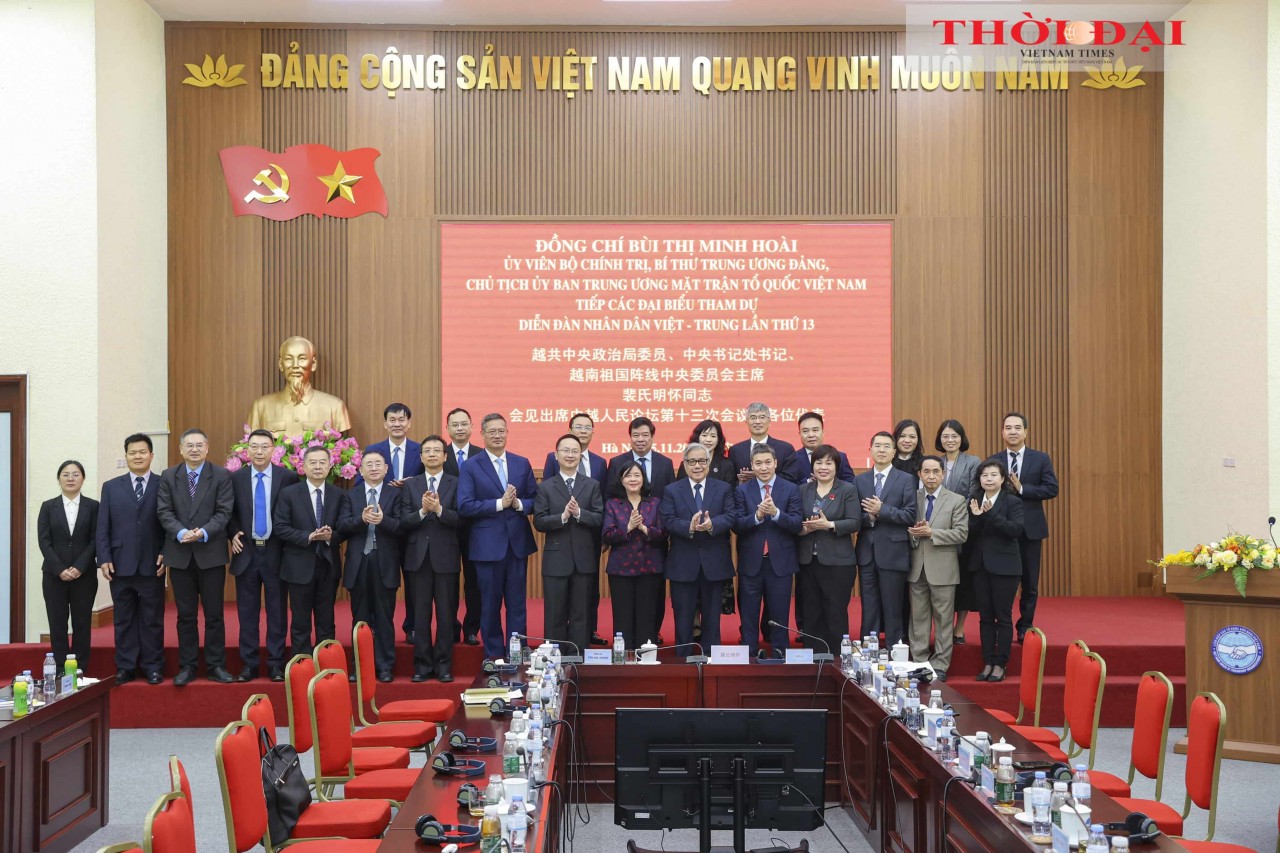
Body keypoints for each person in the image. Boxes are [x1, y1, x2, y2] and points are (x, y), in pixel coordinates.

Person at [156, 427, 235, 686]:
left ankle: (216, 665)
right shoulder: (169, 476)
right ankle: (187, 666)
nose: (194, 449)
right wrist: (180, 533)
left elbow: (224, 512)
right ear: (180, 449)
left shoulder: (221, 475)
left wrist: (201, 532)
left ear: (207, 448)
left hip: (210, 554)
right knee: (185, 615)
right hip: (179, 555)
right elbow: (164, 511)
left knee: (214, 615)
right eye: (189, 445)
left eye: (199, 445)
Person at [457, 413, 538, 659]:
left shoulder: (521, 463)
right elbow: (465, 505)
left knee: (517, 606)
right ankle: (494, 656)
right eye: (491, 431)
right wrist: (499, 504)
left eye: (501, 430)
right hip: (486, 547)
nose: (497, 435)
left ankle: (517, 653)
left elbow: (535, 499)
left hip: (516, 545)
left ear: (507, 432)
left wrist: (518, 505)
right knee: (489, 606)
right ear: (481, 434)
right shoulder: (471, 465)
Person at [228, 428, 299, 682]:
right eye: (254, 447)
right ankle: (249, 665)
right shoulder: (235, 479)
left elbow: (294, 512)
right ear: (247, 451)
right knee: (247, 613)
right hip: (246, 551)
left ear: (274, 450)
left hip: (276, 552)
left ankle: (276, 664)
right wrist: (233, 532)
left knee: (277, 611)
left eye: (264, 447)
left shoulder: (288, 478)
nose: (259, 452)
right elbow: (228, 512)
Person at [96, 434, 166, 685]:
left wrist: (166, 553)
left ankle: (153, 666)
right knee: (123, 619)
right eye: (132, 452)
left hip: (152, 563)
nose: (137, 456)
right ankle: (125, 666)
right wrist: (103, 557)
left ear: (151, 455)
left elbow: (170, 524)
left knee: (152, 619)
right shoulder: (111, 487)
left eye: (142, 452)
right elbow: (103, 526)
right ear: (125, 456)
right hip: (119, 563)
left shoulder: (164, 484)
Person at [274, 445, 353, 658]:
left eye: (322, 463)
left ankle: (327, 663)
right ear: (303, 466)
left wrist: (331, 536)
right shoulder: (288, 494)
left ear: (330, 466)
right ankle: (303, 665)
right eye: (313, 462)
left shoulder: (339, 494)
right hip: (298, 565)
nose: (318, 467)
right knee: (300, 621)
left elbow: (345, 527)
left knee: (326, 620)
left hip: (328, 565)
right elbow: (280, 527)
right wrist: (307, 536)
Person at [989, 412, 1058, 642]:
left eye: (1017, 428)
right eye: (1008, 428)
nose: (1013, 432)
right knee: (1003, 581)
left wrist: (1022, 489)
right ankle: (1004, 623)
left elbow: (1051, 489)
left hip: (1030, 530)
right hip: (1003, 530)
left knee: (1029, 581)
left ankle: (1025, 625)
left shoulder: (1040, 459)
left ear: (1026, 432)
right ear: (1002, 432)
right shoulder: (994, 460)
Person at [660, 443, 735, 655]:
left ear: (709, 463)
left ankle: (712, 660)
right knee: (683, 618)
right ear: (684, 464)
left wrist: (713, 525)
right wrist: (688, 526)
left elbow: (731, 516)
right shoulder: (672, 490)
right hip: (683, 563)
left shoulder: (723, 488)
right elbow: (667, 520)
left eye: (702, 461)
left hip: (714, 562)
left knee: (712, 618)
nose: (697, 466)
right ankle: (683, 659)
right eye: (692, 461)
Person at [534, 433, 605, 656]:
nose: (570, 455)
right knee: (554, 614)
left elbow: (599, 518)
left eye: (575, 451)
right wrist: (563, 516)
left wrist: (580, 513)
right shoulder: (546, 487)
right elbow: (539, 521)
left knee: (580, 614)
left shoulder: (592, 485)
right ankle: (554, 660)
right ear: (556, 455)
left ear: (581, 456)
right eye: (565, 450)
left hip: (584, 560)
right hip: (556, 560)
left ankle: (578, 659)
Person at [358, 403, 423, 644]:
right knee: (380, 580)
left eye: (402, 419)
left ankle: (412, 626)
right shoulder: (373, 450)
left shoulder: (420, 449)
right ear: (385, 423)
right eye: (392, 420)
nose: (397, 424)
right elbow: (359, 482)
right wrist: (386, 487)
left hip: (411, 525)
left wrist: (410, 485)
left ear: (409, 423)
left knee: (414, 580)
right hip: (381, 527)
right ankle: (375, 625)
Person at [400, 435, 462, 682]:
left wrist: (439, 511)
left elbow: (462, 519)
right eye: (428, 451)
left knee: (446, 615)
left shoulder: (456, 483)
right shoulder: (411, 484)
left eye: (438, 450)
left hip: (446, 556)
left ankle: (444, 666)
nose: (433, 454)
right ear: (421, 456)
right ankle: (422, 666)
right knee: (421, 615)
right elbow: (403, 520)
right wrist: (423, 511)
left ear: (446, 457)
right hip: (418, 558)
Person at [733, 444, 803, 658]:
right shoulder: (742, 490)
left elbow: (796, 523)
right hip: (751, 562)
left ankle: (781, 654)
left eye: (767, 462)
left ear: (775, 463)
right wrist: (757, 517)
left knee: (780, 613)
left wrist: (775, 513)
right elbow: (736, 524)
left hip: (780, 562)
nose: (763, 467)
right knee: (749, 614)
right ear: (752, 466)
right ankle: (749, 654)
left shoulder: (790, 489)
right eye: (758, 463)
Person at [340, 449, 404, 682]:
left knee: (385, 616)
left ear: (386, 469)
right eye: (369, 464)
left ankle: (385, 665)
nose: (374, 468)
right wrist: (362, 520)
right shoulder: (351, 495)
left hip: (385, 561)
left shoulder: (395, 495)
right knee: (360, 618)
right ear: (361, 470)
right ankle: (360, 666)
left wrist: (383, 520)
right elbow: (342, 525)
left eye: (379, 464)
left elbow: (402, 526)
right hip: (359, 562)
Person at [906, 456, 969, 681]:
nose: (931, 476)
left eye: (935, 471)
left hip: (944, 568)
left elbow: (962, 533)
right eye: (926, 472)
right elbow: (906, 529)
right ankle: (920, 661)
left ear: (943, 474)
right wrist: (915, 535)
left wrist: (932, 533)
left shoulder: (956, 500)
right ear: (920, 475)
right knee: (918, 618)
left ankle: (941, 664)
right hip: (916, 567)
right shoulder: (912, 498)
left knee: (943, 619)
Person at [796, 445, 860, 656]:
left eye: (828, 463)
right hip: (808, 561)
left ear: (836, 466)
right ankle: (812, 658)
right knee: (811, 612)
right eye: (818, 463)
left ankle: (837, 659)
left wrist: (829, 525)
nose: (823, 467)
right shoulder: (802, 490)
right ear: (812, 466)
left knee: (835, 612)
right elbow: (795, 521)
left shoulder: (847, 490)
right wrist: (803, 529)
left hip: (838, 563)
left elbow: (854, 522)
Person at [854, 431, 917, 644]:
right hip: (866, 553)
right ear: (870, 450)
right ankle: (867, 652)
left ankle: (894, 650)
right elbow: (854, 517)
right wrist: (869, 517)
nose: (881, 450)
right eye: (877, 446)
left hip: (894, 552)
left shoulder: (906, 479)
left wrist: (883, 511)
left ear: (894, 451)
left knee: (893, 607)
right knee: (869, 606)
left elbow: (910, 515)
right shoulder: (860, 480)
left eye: (886, 446)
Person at [37, 460, 99, 672]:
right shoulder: (48, 506)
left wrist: (80, 566)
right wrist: (60, 569)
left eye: (75, 474)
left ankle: (80, 666)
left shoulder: (93, 506)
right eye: (65, 474)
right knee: (57, 623)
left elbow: (95, 539)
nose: (70, 478)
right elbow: (44, 541)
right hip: (54, 576)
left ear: (83, 478)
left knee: (82, 623)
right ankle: (61, 667)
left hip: (85, 576)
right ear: (59, 479)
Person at [968, 459, 1025, 682]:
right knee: (984, 617)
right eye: (984, 475)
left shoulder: (1013, 502)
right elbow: (971, 534)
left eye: (993, 475)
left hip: (1006, 567)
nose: (989, 479)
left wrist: (989, 514)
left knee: (1002, 617)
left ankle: (1001, 663)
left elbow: (1015, 530)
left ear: (1002, 479)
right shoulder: (974, 501)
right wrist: (975, 516)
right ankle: (988, 661)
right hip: (980, 565)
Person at [602, 461, 666, 648]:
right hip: (621, 568)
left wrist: (644, 528)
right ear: (621, 480)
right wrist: (629, 527)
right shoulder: (613, 504)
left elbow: (663, 534)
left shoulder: (654, 503)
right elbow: (607, 535)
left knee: (647, 614)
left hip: (650, 567)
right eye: (628, 475)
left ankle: (646, 655)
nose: (633, 479)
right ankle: (623, 655)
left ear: (643, 479)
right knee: (623, 614)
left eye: (637, 475)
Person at [248, 335, 352, 437]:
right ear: (280, 364)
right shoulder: (260, 407)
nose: (295, 365)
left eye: (302, 359)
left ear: (313, 364)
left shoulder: (335, 407)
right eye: (289, 359)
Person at [935, 419, 981, 645]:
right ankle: (942, 626)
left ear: (961, 438)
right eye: (945, 436)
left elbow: (974, 492)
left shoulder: (973, 462)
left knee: (962, 579)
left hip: (963, 527)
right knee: (940, 579)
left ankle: (959, 628)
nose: (950, 440)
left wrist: (952, 513)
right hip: (936, 528)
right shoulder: (934, 462)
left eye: (954, 436)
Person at [443, 407, 483, 646]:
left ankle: (471, 628)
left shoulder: (482, 454)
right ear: (447, 429)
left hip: (475, 529)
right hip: (445, 529)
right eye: (454, 424)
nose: (459, 428)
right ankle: (450, 627)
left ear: (471, 427)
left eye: (463, 424)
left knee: (474, 582)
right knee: (447, 583)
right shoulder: (438, 453)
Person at [606, 416, 676, 498]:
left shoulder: (665, 463)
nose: (640, 439)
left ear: (652, 437)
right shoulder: (616, 463)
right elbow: (609, 495)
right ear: (630, 437)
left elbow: (672, 495)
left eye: (645, 435)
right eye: (636, 435)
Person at [729, 402, 797, 484]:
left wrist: (759, 475)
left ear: (769, 421)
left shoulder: (785, 449)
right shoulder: (735, 450)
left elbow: (791, 479)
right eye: (753, 417)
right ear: (746, 422)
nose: (757, 421)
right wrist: (741, 482)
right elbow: (730, 482)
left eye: (762, 417)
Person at [789, 412, 856, 483]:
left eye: (815, 430)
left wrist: (829, 481)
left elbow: (851, 483)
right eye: (805, 431)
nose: (811, 435)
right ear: (800, 434)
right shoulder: (793, 458)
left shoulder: (840, 457)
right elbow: (787, 486)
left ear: (823, 432)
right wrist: (808, 481)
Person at [675, 419, 736, 486]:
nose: (708, 440)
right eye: (704, 435)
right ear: (698, 438)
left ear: (718, 440)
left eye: (713, 436)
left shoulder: (726, 465)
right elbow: (679, 489)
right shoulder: (686, 463)